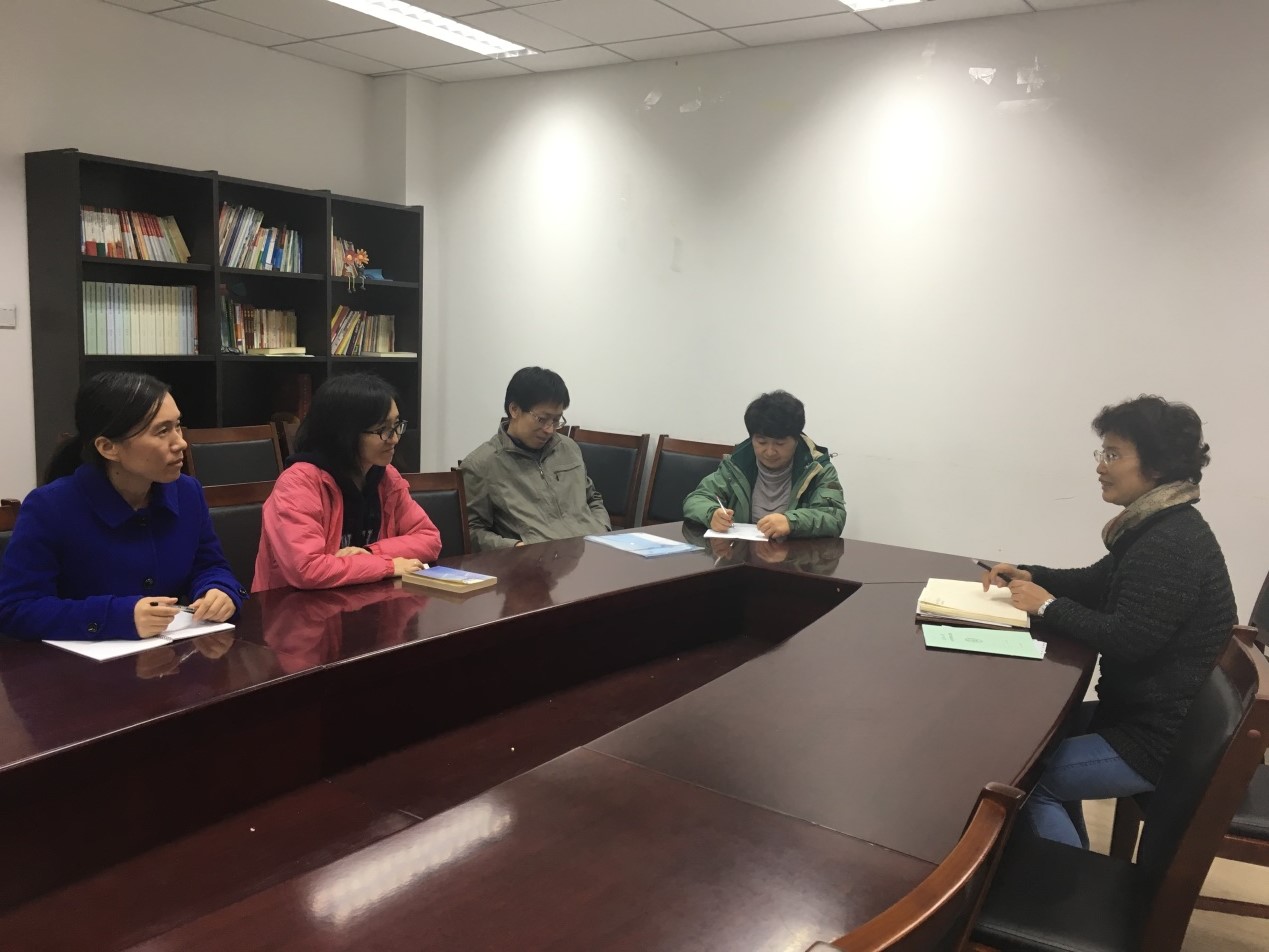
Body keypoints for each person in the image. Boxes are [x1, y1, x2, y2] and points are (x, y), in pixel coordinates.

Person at [982, 395, 1236, 849]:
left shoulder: (1172, 542)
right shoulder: (1155, 525)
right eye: (1103, 452)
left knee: (1026, 780)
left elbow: (1129, 639)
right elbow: (1095, 582)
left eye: (1114, 455)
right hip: (1134, 716)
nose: (1101, 466)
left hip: (1159, 741)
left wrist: (1047, 606)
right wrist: (1031, 575)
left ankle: (1062, 890)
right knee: (1028, 744)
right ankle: (1071, 862)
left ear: (1156, 466)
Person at [0, 372, 244, 641]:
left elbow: (210, 565)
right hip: (80, 663)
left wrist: (219, 590)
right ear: (108, 447)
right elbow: (15, 608)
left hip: (169, 655)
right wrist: (117, 616)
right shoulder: (50, 506)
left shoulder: (187, 492)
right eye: (162, 431)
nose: (181, 442)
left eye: (177, 426)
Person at [254, 373, 441, 591]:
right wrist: (387, 566)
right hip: (294, 606)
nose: (395, 438)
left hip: (363, 597)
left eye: (396, 425)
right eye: (383, 430)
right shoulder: (298, 484)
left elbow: (430, 539)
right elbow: (307, 569)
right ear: (345, 433)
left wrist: (371, 552)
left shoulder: (386, 477)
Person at [461, 367, 610, 551]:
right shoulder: (482, 464)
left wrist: (602, 529)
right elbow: (471, 531)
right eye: (542, 419)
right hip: (537, 561)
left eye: (556, 420)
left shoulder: (568, 448)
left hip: (591, 551)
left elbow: (593, 498)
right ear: (514, 409)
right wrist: (516, 548)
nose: (549, 429)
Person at [682, 390, 846, 539]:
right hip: (741, 555)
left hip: (796, 558)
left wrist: (791, 522)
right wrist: (711, 514)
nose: (769, 452)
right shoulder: (737, 465)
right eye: (761, 442)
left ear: (797, 439)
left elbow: (834, 517)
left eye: (780, 443)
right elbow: (696, 499)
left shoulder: (817, 469)